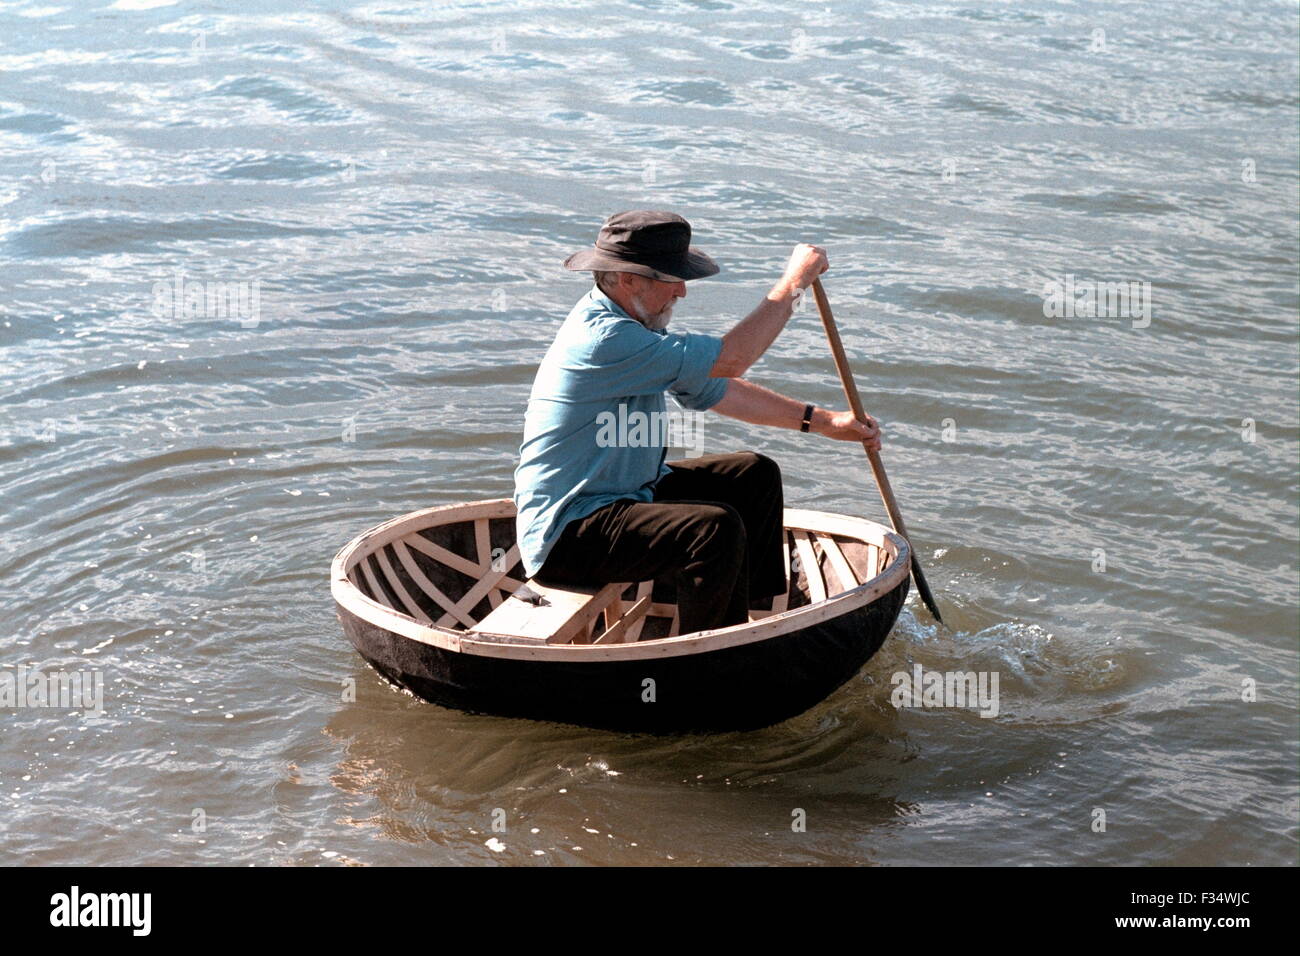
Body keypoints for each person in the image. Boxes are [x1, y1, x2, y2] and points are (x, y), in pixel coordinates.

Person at [512, 210, 881, 636]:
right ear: (628, 279)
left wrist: (826, 422)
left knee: (752, 474)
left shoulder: (634, 327)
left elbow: (720, 385)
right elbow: (733, 358)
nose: (683, 291)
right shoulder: (606, 339)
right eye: (673, 278)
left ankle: (749, 617)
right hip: (569, 533)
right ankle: (713, 655)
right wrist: (793, 283)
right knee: (713, 530)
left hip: (626, 495)